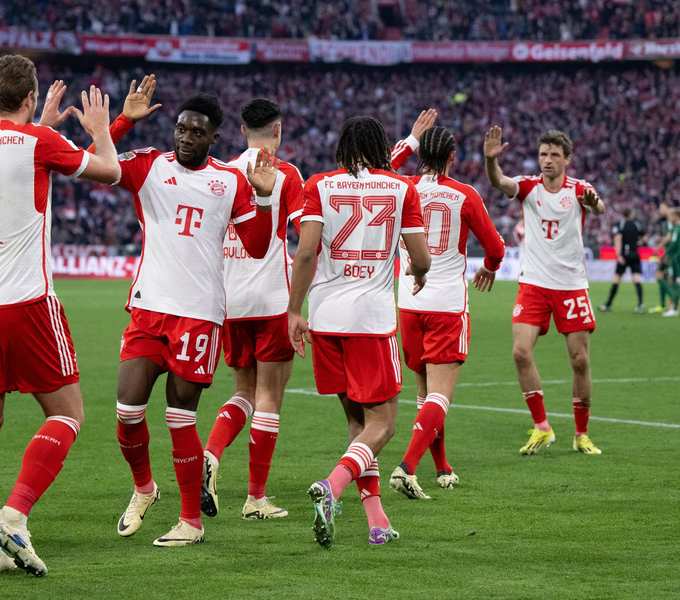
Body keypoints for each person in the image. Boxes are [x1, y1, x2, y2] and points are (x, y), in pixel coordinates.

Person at [0, 55, 121, 576]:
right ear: (29, 97)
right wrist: (100, 129)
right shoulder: (37, 142)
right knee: (67, 413)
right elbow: (110, 172)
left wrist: (39, 126)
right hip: (25, 300)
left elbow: (13, 166)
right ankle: (14, 516)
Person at [98, 80, 277, 547]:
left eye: (197, 132)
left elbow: (258, 247)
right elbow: (93, 161)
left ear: (213, 137)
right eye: (181, 128)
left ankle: (190, 523)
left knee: (180, 419)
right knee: (127, 412)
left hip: (198, 315)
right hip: (148, 308)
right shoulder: (149, 165)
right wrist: (123, 121)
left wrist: (263, 199)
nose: (186, 137)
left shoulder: (230, 181)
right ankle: (144, 488)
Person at [288, 116, 431, 548]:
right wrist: (418, 272)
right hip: (371, 321)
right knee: (383, 426)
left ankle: (377, 521)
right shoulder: (401, 188)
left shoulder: (318, 185)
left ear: (343, 147)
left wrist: (294, 311)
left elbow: (306, 253)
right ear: (382, 146)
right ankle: (332, 486)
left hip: (326, 320)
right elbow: (422, 257)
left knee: (358, 425)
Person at [387, 112, 505, 499]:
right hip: (447, 304)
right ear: (453, 156)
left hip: (409, 302)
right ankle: (407, 467)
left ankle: (441, 466)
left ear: (422, 155)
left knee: (425, 393)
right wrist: (489, 268)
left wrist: (410, 140)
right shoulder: (465, 195)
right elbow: (496, 247)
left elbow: (379, 169)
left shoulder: (402, 187)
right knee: (441, 395)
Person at [201, 99, 304, 521]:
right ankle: (256, 499)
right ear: (277, 130)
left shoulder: (223, 173)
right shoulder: (286, 174)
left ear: (242, 132)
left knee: (243, 393)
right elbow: (307, 234)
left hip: (230, 302)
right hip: (272, 299)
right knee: (269, 399)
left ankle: (211, 452)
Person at [484, 126, 606, 456]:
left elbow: (599, 208)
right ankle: (542, 427)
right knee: (520, 352)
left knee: (580, 360)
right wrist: (491, 160)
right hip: (534, 283)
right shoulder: (528, 187)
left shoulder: (579, 189)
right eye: (543, 154)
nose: (547, 160)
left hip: (571, 286)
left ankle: (581, 434)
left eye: (554, 155)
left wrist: (594, 204)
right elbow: (499, 182)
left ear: (567, 159)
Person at [599, 208, 645, 313]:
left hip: (624, 255)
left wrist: (618, 255)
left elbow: (618, 239)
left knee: (616, 279)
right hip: (634, 254)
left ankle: (608, 305)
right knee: (636, 279)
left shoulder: (620, 225)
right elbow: (645, 237)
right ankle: (640, 305)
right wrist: (638, 244)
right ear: (630, 214)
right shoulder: (637, 224)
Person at [649, 202, 677, 314]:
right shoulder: (668, 222)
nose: (660, 210)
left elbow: (669, 237)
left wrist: (659, 247)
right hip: (669, 253)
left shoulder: (670, 221)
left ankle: (673, 304)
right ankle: (664, 304)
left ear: (668, 209)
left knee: (663, 278)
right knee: (664, 277)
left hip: (671, 254)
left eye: (661, 208)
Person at [662, 208, 680, 317]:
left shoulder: (677, 229)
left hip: (676, 260)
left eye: (672, 216)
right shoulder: (675, 228)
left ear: (676, 216)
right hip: (676, 259)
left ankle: (674, 308)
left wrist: (666, 255)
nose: (670, 218)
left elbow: (673, 244)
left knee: (674, 283)